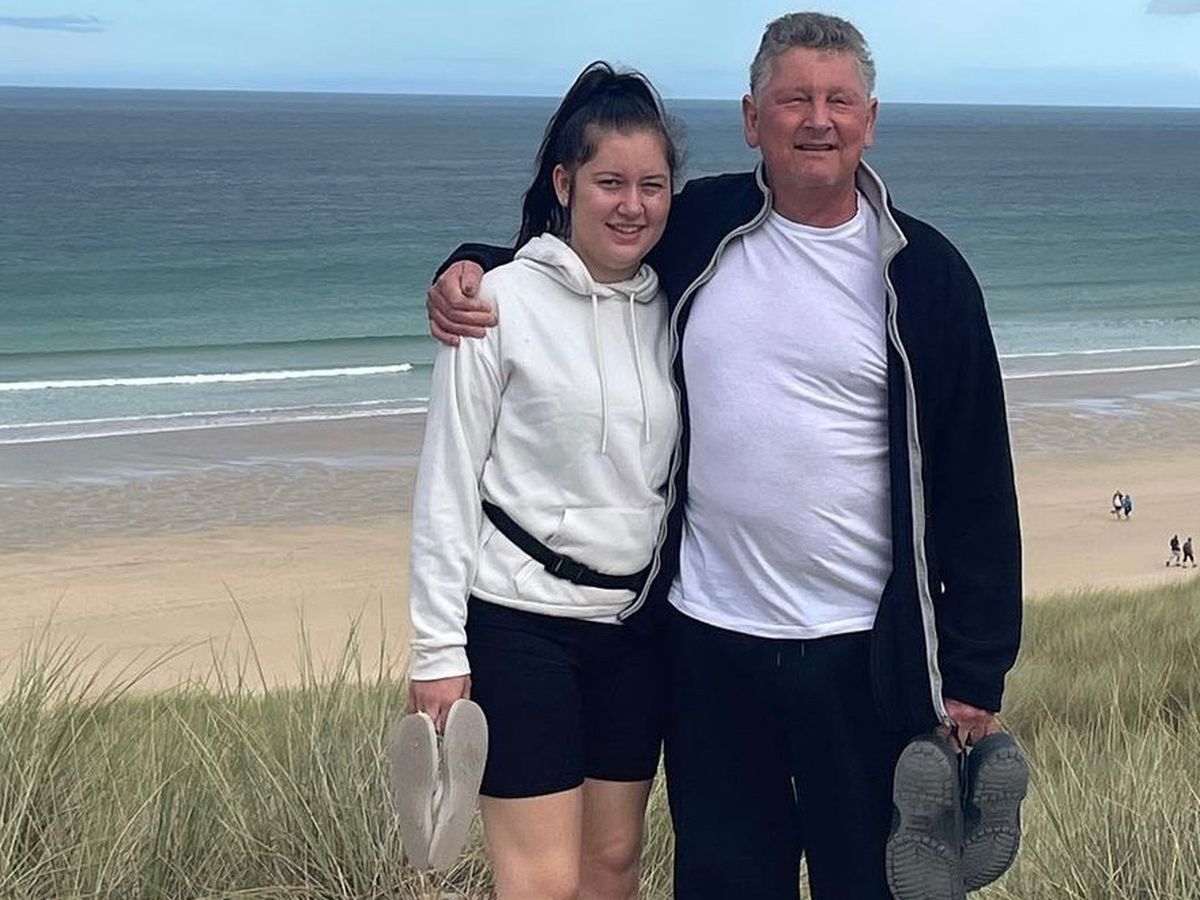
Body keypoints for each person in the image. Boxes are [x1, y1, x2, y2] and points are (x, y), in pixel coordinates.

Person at [427, 13, 1023, 900]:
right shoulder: (700, 223)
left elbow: (977, 477)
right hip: (708, 646)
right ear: (752, 119)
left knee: (867, 881)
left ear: (869, 120)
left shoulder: (926, 274)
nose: (816, 119)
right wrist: (473, 267)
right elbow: (591, 255)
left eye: (838, 100)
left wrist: (975, 668)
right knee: (726, 882)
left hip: (864, 653)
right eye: (793, 99)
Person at [406, 62, 681, 900]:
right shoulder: (493, 304)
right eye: (609, 183)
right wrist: (436, 651)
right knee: (543, 882)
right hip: (519, 627)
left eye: (652, 185)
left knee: (613, 864)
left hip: (634, 629)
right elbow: (447, 482)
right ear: (565, 184)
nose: (631, 205)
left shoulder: (674, 310)